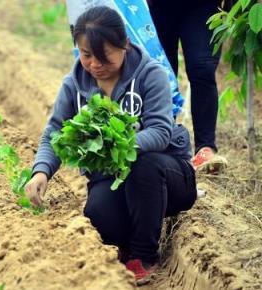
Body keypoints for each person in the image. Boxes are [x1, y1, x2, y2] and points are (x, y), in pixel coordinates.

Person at [24, 6, 197, 285]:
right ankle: (130, 238)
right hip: (112, 177)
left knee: (144, 166)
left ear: (124, 44)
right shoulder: (74, 84)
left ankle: (144, 255)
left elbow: (161, 132)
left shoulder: (150, 75)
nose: (94, 64)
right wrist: (41, 171)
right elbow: (54, 132)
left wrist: (116, 143)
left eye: (104, 55)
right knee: (99, 216)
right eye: (86, 55)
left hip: (167, 174)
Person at [149, 0, 229, 173]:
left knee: (202, 68)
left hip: (203, 6)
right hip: (158, 7)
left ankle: (205, 148)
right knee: (159, 72)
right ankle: (163, 144)